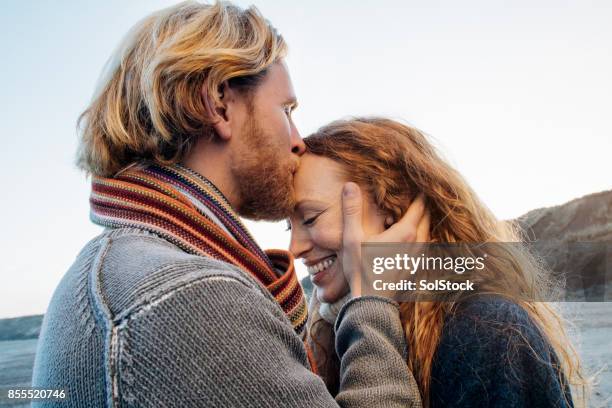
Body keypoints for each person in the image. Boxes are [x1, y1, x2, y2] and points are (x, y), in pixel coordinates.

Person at [31, 3, 423, 407]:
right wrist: (370, 298)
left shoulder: (118, 269)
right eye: (286, 110)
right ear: (219, 103)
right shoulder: (188, 294)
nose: (297, 139)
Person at [288, 117, 589, 407]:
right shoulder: (331, 338)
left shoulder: (487, 331)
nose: (294, 248)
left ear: (392, 208)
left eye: (311, 218)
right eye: (289, 227)